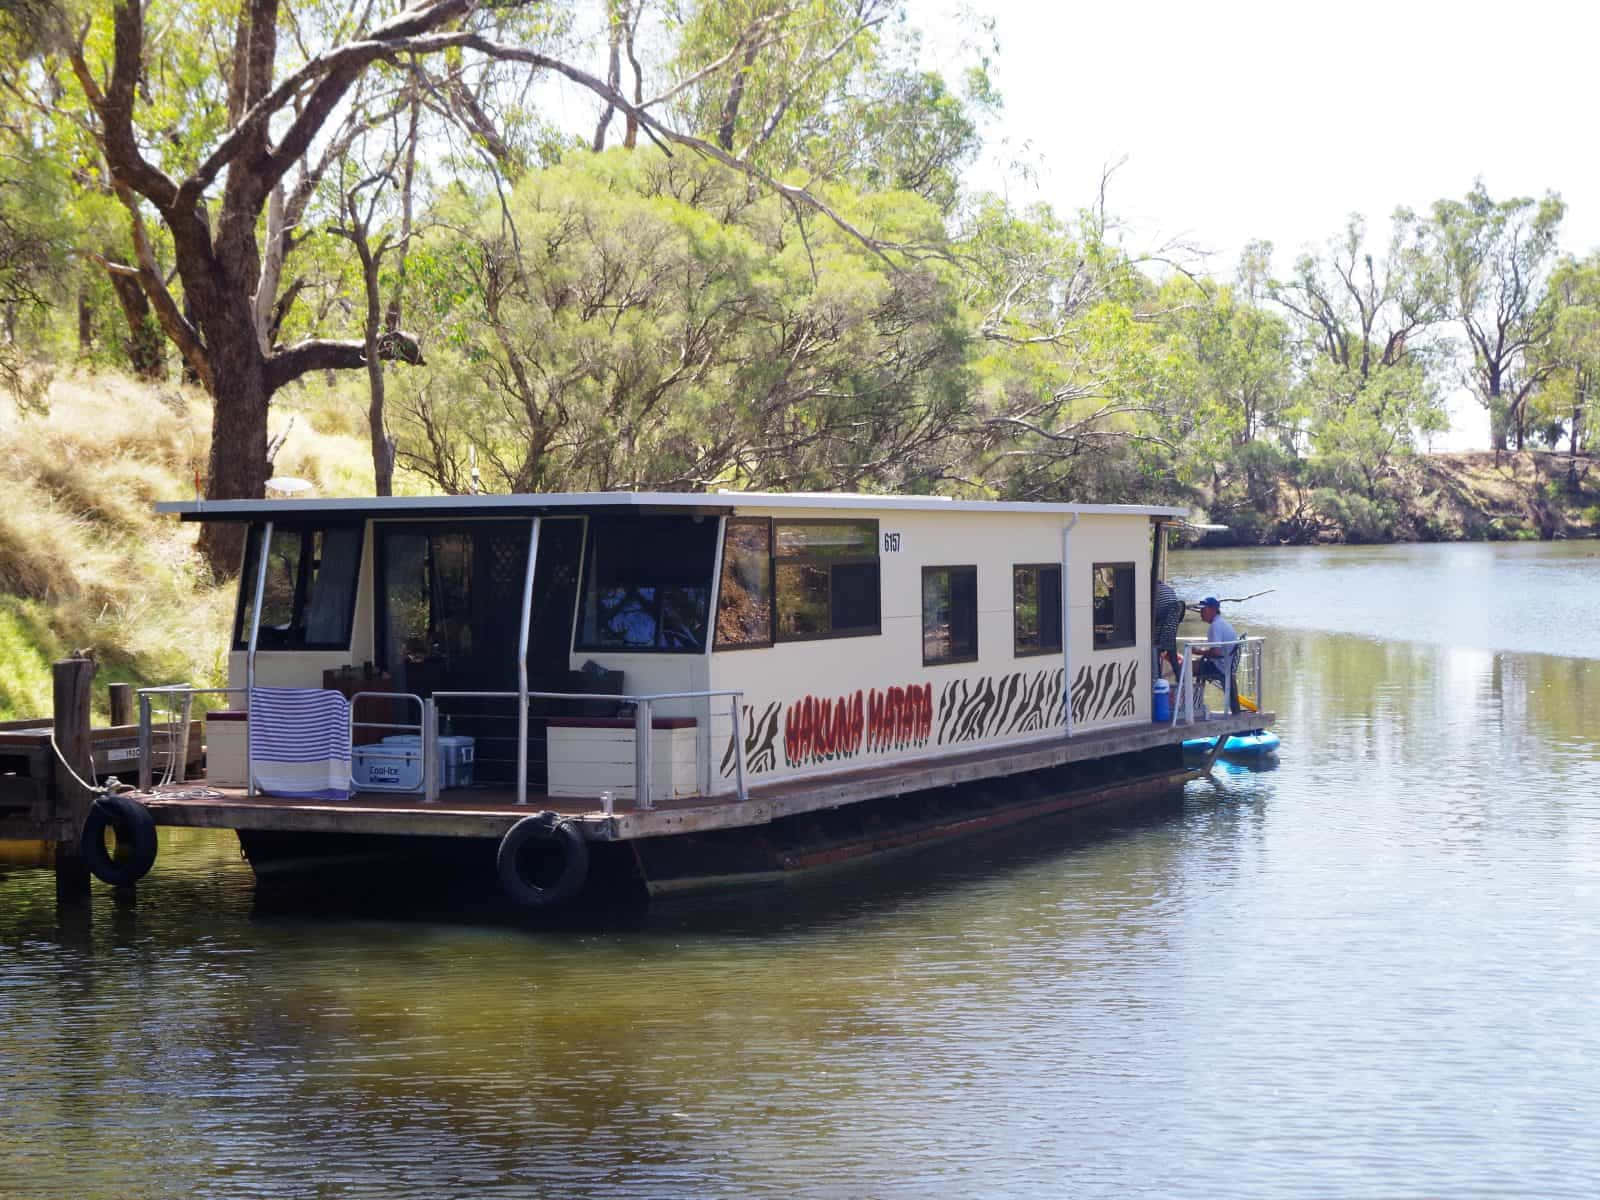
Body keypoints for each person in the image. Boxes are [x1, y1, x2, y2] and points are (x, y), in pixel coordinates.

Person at [1193, 596, 1239, 714]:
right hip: (1227, 665)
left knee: (1187, 668)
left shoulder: (1216, 626)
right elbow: (1216, 650)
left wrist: (1199, 651)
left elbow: (1216, 652)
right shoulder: (1221, 623)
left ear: (1213, 610)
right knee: (1196, 664)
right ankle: (1196, 704)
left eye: (1204, 609)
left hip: (1220, 667)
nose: (1201, 612)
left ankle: (1191, 706)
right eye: (1200, 609)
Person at [1152, 578, 1184, 681]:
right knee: (1173, 657)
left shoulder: (1153, 591)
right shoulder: (1170, 590)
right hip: (1170, 633)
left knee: (1150, 650)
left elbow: (1153, 616)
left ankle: (1156, 680)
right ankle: (1180, 681)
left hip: (1159, 635)